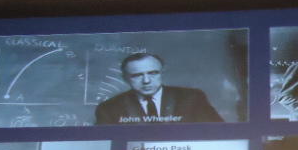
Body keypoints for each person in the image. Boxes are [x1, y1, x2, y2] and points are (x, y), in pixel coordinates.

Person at [95, 53, 224, 124]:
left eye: (153, 73)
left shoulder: (192, 98)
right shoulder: (108, 108)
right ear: (125, 78)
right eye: (137, 75)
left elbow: (216, 132)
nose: (146, 81)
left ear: (162, 73)